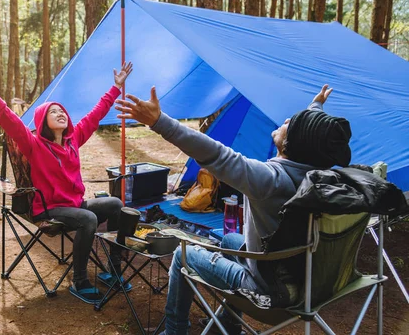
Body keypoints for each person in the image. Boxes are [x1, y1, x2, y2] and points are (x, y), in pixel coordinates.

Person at [115, 84, 352, 335]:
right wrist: (316, 107)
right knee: (229, 239)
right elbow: (310, 140)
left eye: (290, 124)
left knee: (182, 255)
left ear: (293, 143)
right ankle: (227, 327)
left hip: (269, 291)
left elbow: (218, 155)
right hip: (307, 278)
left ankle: (175, 331)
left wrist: (159, 122)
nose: (284, 120)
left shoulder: (270, 181)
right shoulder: (321, 174)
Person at [0, 62, 133, 304]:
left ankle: (113, 268)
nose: (61, 113)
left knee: (116, 204)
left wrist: (116, 87)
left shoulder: (73, 140)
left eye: (62, 110)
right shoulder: (34, 145)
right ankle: (79, 280)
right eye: (53, 112)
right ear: (43, 120)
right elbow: (10, 121)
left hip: (75, 205)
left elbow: (96, 113)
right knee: (88, 219)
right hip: (49, 208)